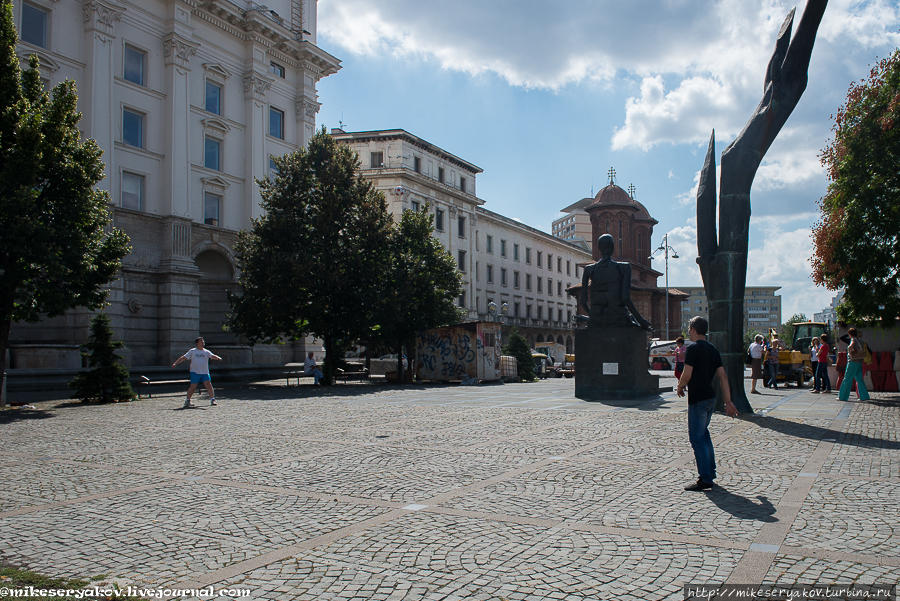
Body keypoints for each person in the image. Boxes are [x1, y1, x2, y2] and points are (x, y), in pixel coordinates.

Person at [677, 316, 739, 491]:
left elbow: (687, 374)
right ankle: (710, 472)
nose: (688, 332)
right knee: (704, 435)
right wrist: (728, 401)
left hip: (698, 398)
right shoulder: (713, 349)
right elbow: (722, 376)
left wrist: (680, 386)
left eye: (689, 328)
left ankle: (705, 479)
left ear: (694, 330)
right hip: (711, 398)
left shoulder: (693, 349)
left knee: (696, 438)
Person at [172, 337, 222, 408]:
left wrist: (218, 357)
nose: (203, 342)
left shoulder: (206, 351)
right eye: (201, 341)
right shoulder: (192, 351)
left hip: (205, 372)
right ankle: (187, 401)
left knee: (209, 385)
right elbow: (183, 357)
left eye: (203, 341)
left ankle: (212, 399)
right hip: (195, 372)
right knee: (193, 387)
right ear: (197, 343)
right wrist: (175, 363)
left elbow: (212, 356)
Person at [838, 328, 870, 402]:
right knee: (859, 379)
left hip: (852, 362)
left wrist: (849, 351)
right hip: (859, 361)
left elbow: (850, 346)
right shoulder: (860, 340)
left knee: (847, 379)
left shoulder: (853, 340)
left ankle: (843, 397)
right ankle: (864, 396)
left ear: (849, 334)